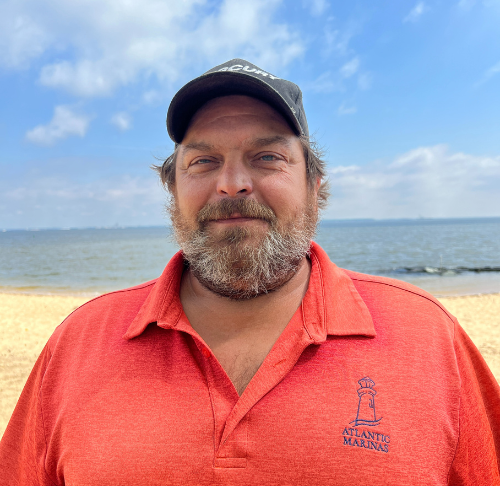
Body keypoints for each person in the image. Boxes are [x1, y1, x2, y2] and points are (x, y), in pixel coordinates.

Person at [1, 58, 499, 485]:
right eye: (204, 161)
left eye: (267, 157)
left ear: (315, 185)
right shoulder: (79, 343)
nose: (233, 184)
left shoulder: (428, 336)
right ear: (173, 189)